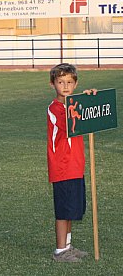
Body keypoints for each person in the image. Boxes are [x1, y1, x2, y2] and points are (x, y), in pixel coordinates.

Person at [47, 63, 91, 262]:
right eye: (60, 82)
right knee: (63, 211)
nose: (65, 86)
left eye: (69, 82)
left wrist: (91, 100)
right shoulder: (55, 109)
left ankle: (68, 245)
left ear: (76, 84)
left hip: (76, 166)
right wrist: (81, 104)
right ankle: (59, 250)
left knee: (73, 209)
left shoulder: (73, 105)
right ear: (52, 84)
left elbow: (88, 115)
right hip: (62, 167)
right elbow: (69, 124)